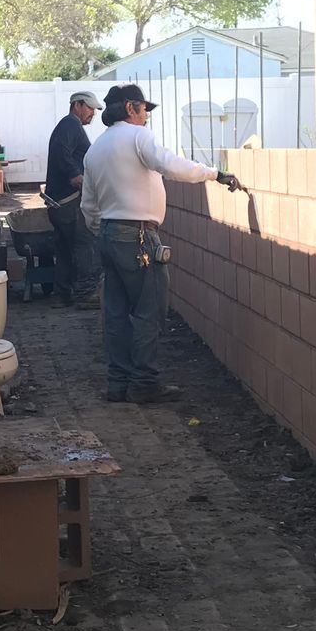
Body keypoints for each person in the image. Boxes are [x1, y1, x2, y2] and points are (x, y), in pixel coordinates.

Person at [82, 83, 242, 403]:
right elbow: (169, 164)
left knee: (115, 312)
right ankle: (143, 384)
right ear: (131, 108)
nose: (146, 117)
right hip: (139, 236)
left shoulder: (95, 149)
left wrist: (107, 231)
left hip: (110, 235)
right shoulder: (138, 137)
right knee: (148, 310)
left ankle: (118, 383)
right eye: (144, 109)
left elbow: (88, 206)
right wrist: (215, 174)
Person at [44, 90, 101, 306]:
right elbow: (61, 151)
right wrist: (74, 175)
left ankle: (62, 294)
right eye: (89, 108)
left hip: (59, 201)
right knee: (83, 244)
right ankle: (85, 293)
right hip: (69, 200)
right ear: (76, 105)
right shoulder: (71, 125)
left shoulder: (69, 125)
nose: (92, 114)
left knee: (65, 248)